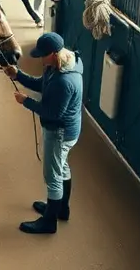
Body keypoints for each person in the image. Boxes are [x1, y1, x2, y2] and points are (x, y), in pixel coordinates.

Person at [5, 32, 83, 234]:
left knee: (53, 176)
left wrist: (26, 102)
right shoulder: (61, 65)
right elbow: (42, 84)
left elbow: (52, 113)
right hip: (68, 130)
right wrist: (18, 75)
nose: (39, 58)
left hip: (59, 132)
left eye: (42, 55)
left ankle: (49, 222)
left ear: (52, 54)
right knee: (62, 166)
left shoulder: (63, 82)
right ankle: (61, 209)